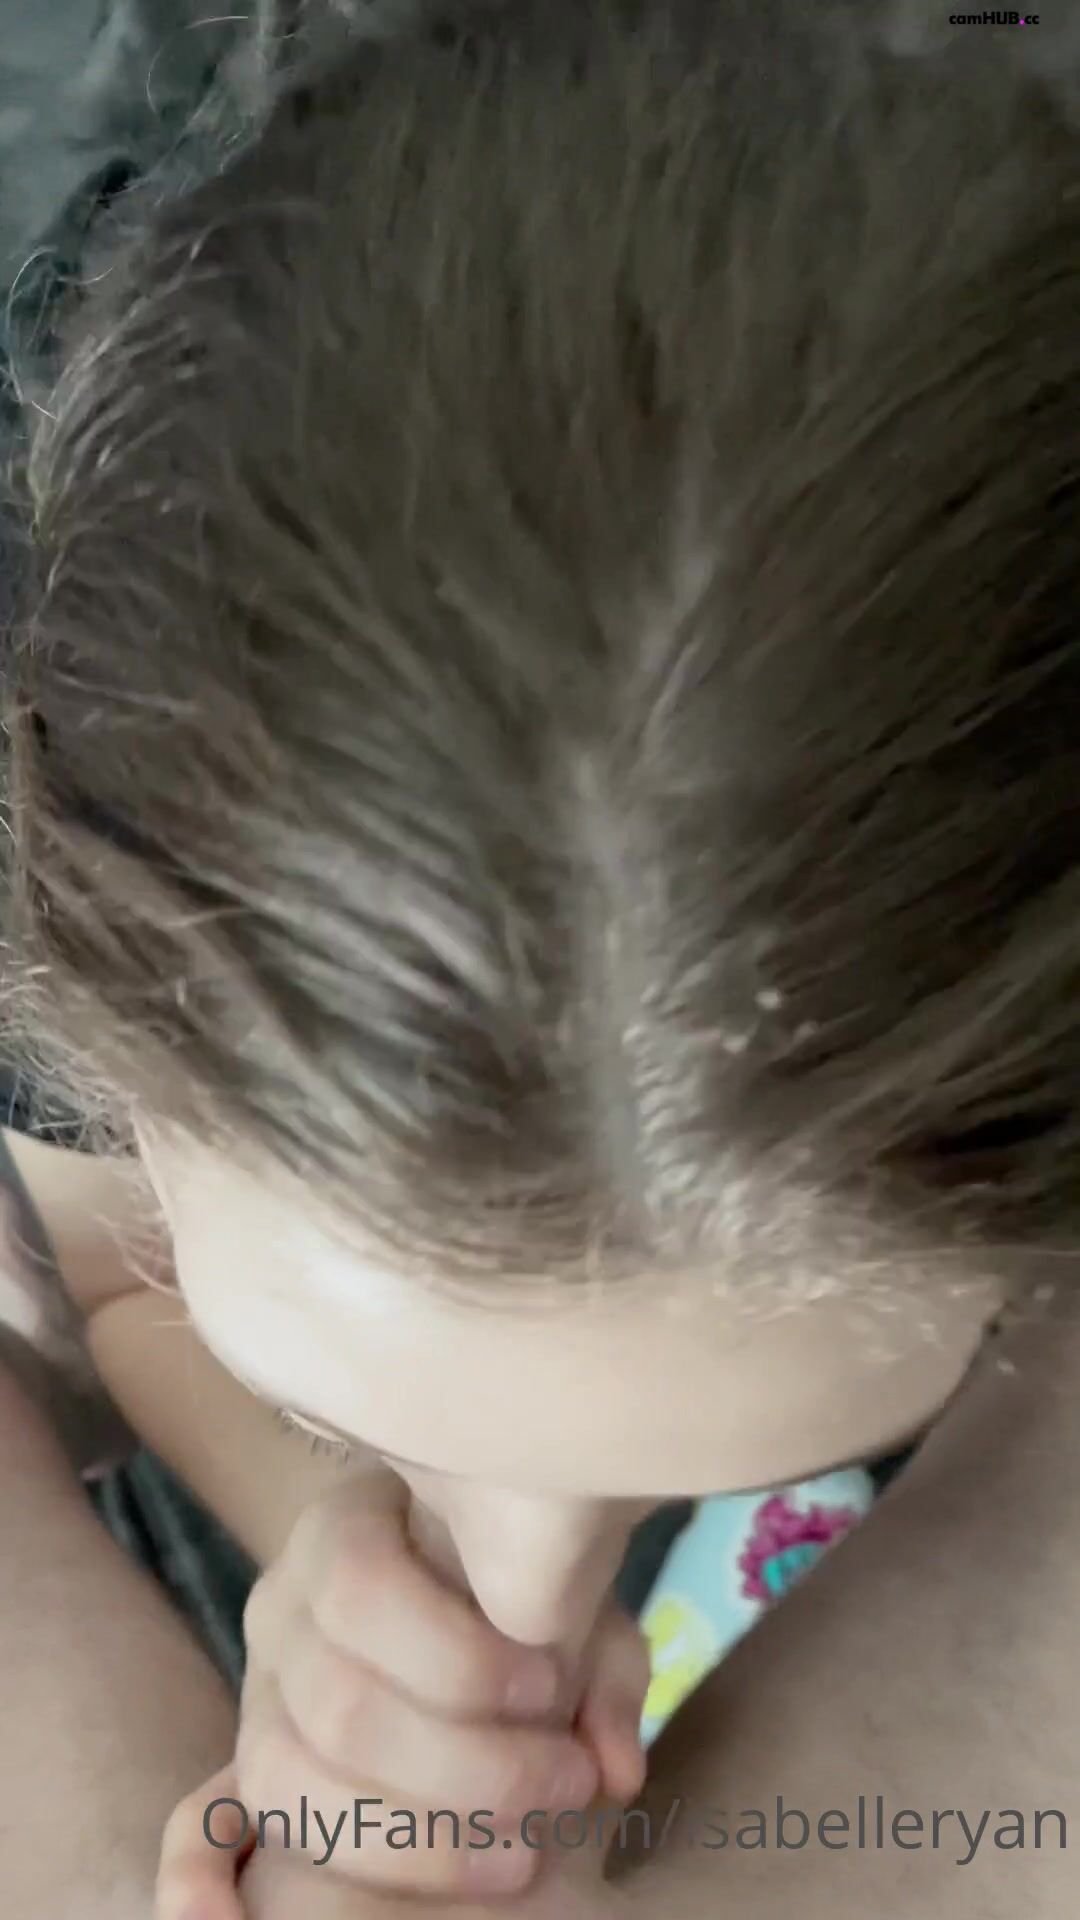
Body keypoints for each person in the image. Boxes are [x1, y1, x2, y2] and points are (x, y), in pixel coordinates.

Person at [3, 3, 1080, 1917]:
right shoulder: (82, 760)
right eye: (337, 1394)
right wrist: (327, 1531)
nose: (536, 1620)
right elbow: (102, 1250)